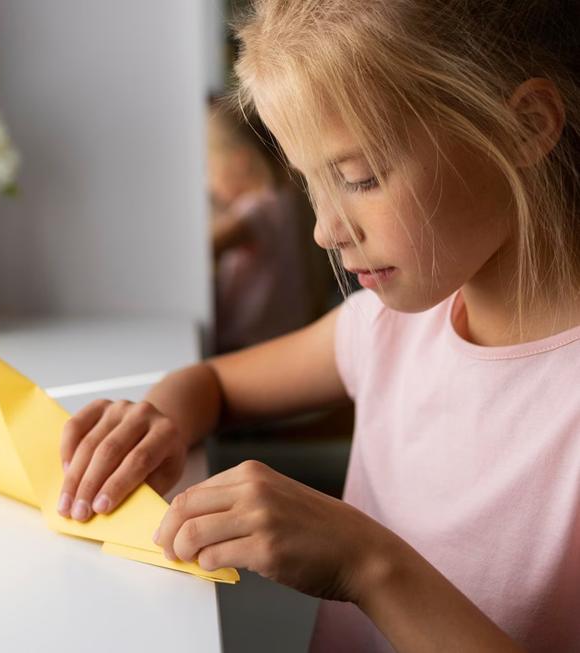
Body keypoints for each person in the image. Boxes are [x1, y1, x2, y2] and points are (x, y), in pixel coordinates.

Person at [56, 1, 580, 650]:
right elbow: (213, 382)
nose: (325, 230)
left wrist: (365, 563)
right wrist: (156, 422)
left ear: (523, 126)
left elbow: (366, 563)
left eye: (360, 178)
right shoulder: (386, 328)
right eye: (309, 183)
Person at [206, 95, 323, 351]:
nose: (208, 184)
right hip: (285, 330)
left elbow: (208, 247)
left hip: (254, 341)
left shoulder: (257, 211)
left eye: (209, 169)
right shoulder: (287, 196)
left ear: (240, 163)